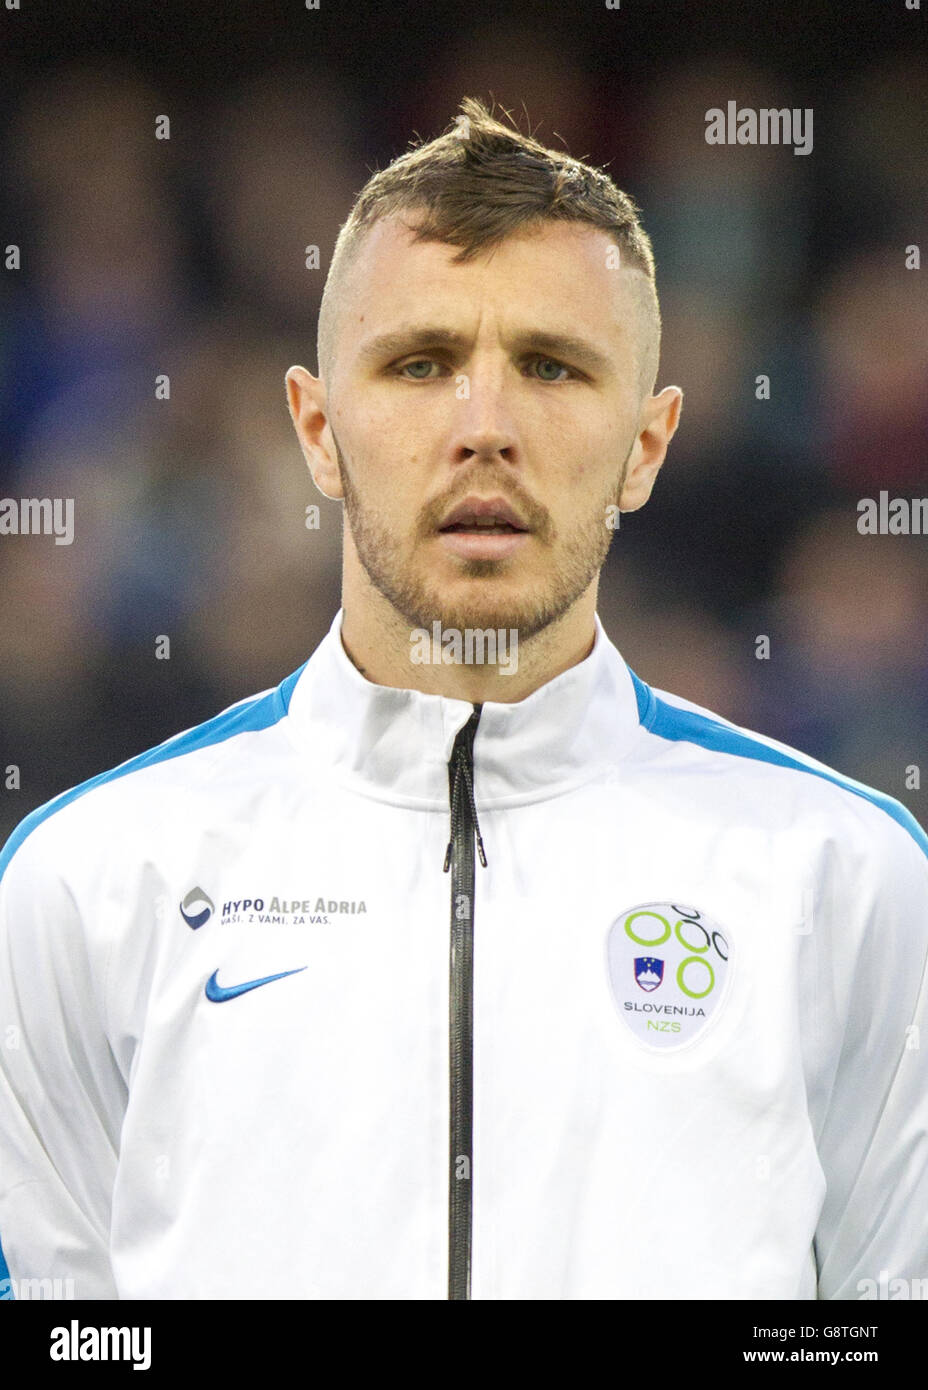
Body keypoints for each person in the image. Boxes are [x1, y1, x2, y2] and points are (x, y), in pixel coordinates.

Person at [1, 96, 926, 1302]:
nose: (482, 428)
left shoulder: (847, 880)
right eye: (421, 364)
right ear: (318, 431)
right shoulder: (88, 883)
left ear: (647, 445)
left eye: (550, 366)